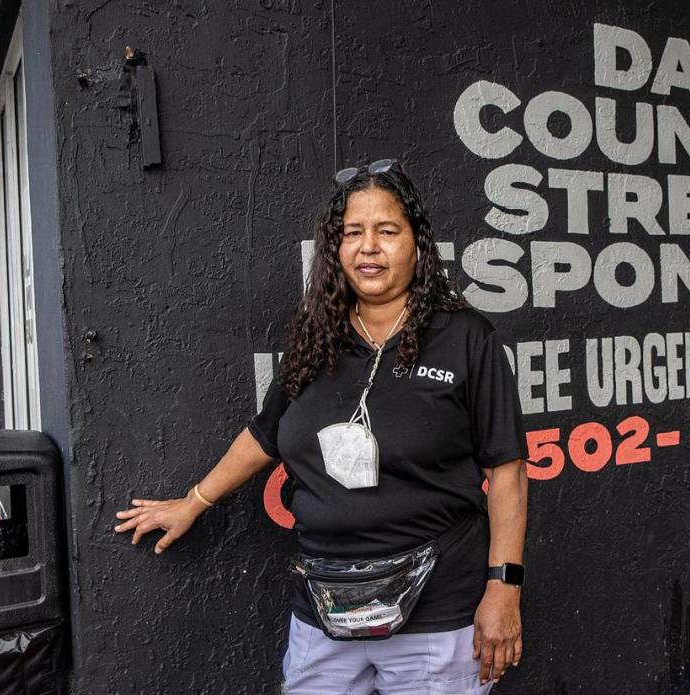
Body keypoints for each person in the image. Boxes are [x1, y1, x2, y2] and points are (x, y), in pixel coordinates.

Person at [113, 158, 529, 694]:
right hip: (324, 611)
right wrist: (192, 502)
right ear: (335, 248)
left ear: (418, 245)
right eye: (353, 232)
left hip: (437, 615)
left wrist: (504, 590)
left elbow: (508, 470)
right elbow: (266, 434)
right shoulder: (317, 336)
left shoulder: (466, 337)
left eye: (387, 231)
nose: (369, 247)